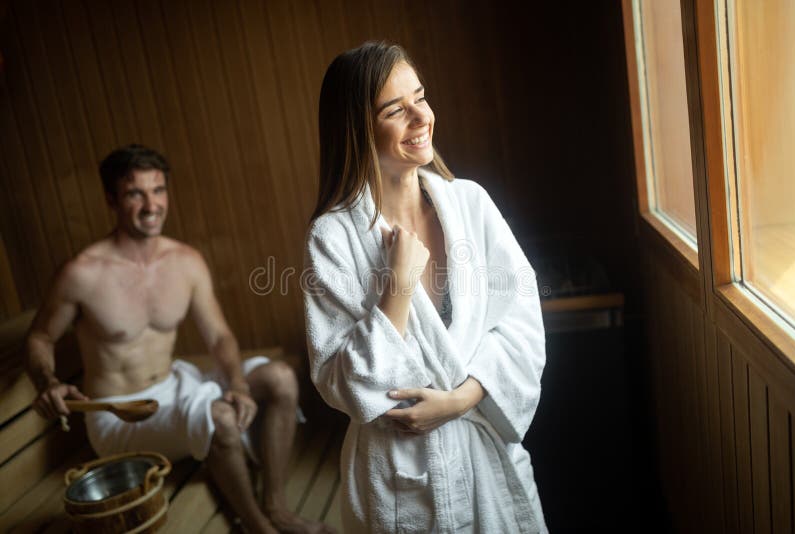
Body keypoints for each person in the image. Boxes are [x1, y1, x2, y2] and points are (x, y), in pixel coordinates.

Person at [304, 42, 548, 533]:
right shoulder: (332, 238)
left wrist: (461, 399)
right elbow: (342, 385)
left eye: (420, 97)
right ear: (357, 128)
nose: (422, 117)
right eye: (396, 110)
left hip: (484, 461)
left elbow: (522, 326)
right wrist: (397, 285)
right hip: (400, 474)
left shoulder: (471, 204)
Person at [26, 144, 333, 534]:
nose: (151, 205)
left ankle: (277, 508)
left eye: (158, 190)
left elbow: (219, 336)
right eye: (135, 193)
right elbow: (40, 337)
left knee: (281, 378)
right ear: (111, 200)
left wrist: (237, 384)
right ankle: (259, 527)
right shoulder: (82, 273)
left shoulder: (185, 261)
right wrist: (48, 382)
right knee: (219, 418)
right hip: (120, 415)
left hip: (176, 386)